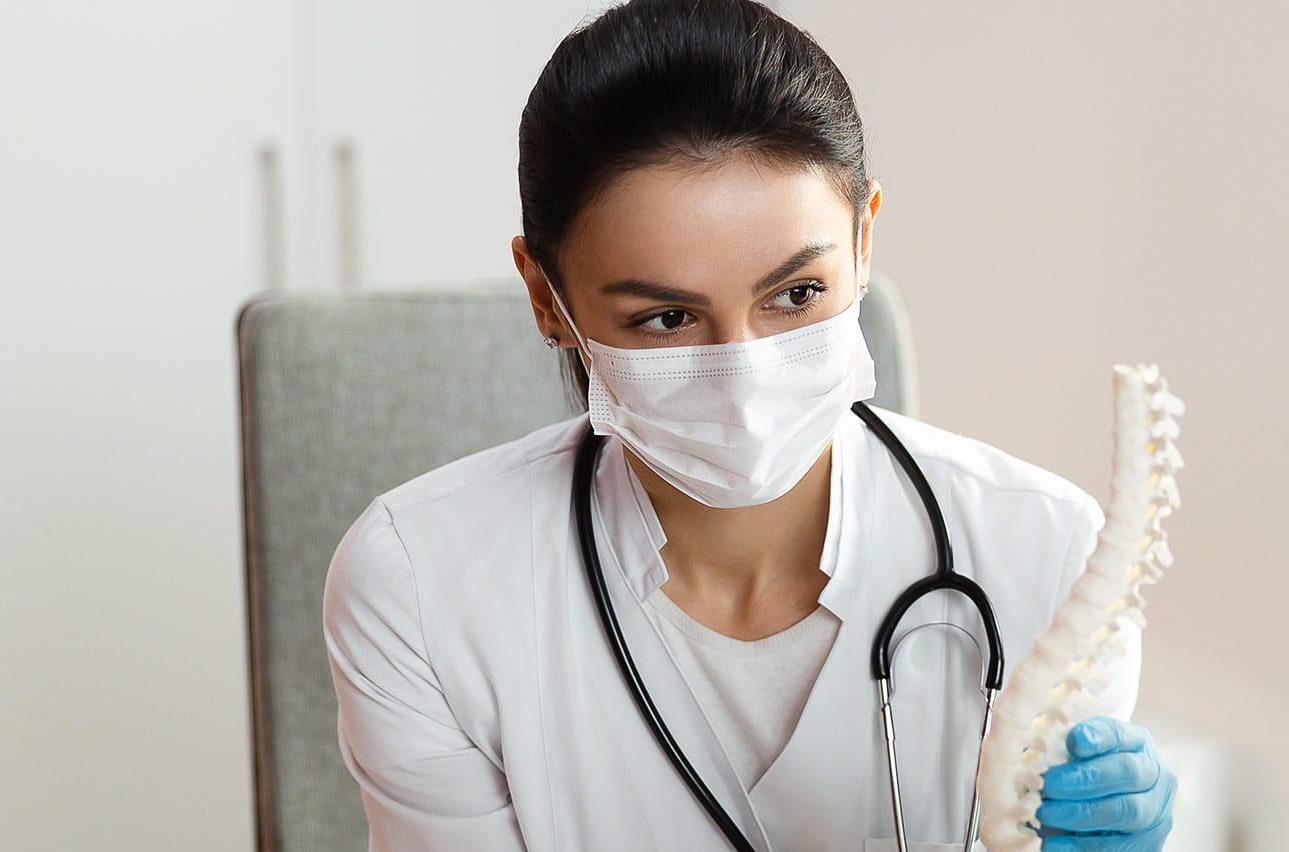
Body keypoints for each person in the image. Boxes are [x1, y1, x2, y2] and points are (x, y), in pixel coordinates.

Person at [321, 0, 1176, 848]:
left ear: (864, 240)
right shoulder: (421, 587)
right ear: (547, 297)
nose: (743, 377)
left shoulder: (1048, 556)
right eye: (666, 318)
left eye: (796, 295)